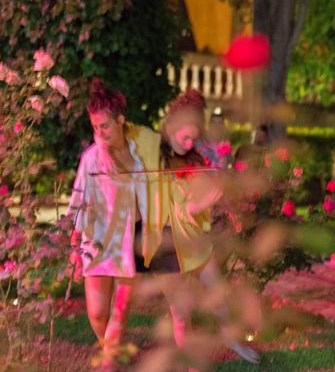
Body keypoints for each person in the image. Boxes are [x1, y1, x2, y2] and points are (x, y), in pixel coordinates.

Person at [139, 89, 260, 364]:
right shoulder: (152, 157)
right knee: (181, 314)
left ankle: (232, 337)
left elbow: (202, 194)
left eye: (194, 139)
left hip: (192, 239)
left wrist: (219, 204)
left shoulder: (193, 160)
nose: (189, 144)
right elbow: (159, 208)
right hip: (165, 243)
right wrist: (193, 207)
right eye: (185, 137)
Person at [68, 79, 159, 363]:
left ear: (120, 120)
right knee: (97, 313)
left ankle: (109, 360)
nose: (99, 132)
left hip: (125, 243)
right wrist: (74, 246)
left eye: (104, 126)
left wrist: (150, 234)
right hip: (94, 242)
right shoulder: (91, 159)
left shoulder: (136, 160)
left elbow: (145, 205)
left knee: (118, 312)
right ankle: (113, 350)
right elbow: (79, 201)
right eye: (95, 127)